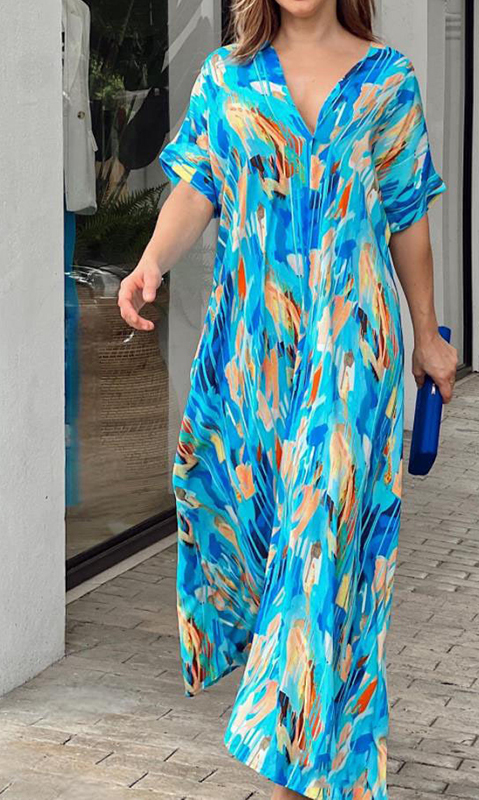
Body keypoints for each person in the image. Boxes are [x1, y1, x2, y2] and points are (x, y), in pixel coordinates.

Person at [118, 0, 458, 797]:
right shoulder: (226, 78)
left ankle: (291, 770)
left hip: (353, 349)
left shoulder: (387, 80)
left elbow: (407, 216)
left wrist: (427, 332)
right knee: (265, 535)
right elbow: (196, 188)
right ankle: (324, 749)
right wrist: (149, 264)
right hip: (254, 355)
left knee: (320, 544)